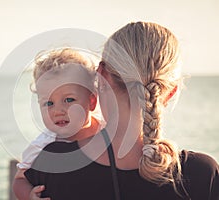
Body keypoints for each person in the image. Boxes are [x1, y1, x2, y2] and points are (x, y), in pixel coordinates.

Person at [13, 22, 219, 200]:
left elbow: (21, 184)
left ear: (101, 75)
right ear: (170, 92)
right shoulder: (203, 174)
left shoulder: (53, 162)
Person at [13, 48, 105, 199]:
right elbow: (19, 179)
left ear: (92, 101)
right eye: (49, 103)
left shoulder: (106, 129)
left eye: (69, 100)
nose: (58, 111)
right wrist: (29, 195)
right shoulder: (43, 144)